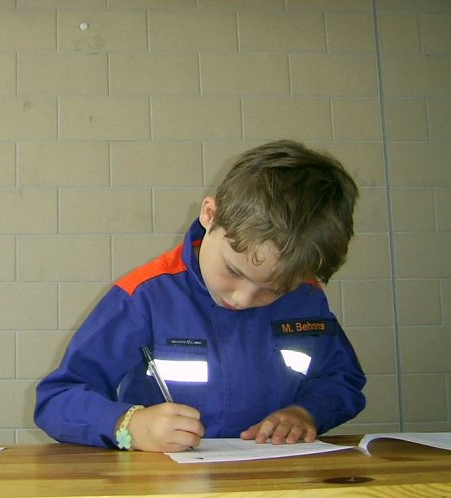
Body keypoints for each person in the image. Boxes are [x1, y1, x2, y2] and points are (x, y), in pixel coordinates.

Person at [34, 140, 366, 453]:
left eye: (274, 289)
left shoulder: (305, 298)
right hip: (165, 491)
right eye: (234, 272)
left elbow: (341, 379)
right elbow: (58, 398)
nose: (243, 299)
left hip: (275, 483)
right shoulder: (145, 296)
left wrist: (306, 412)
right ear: (210, 214)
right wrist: (130, 425)